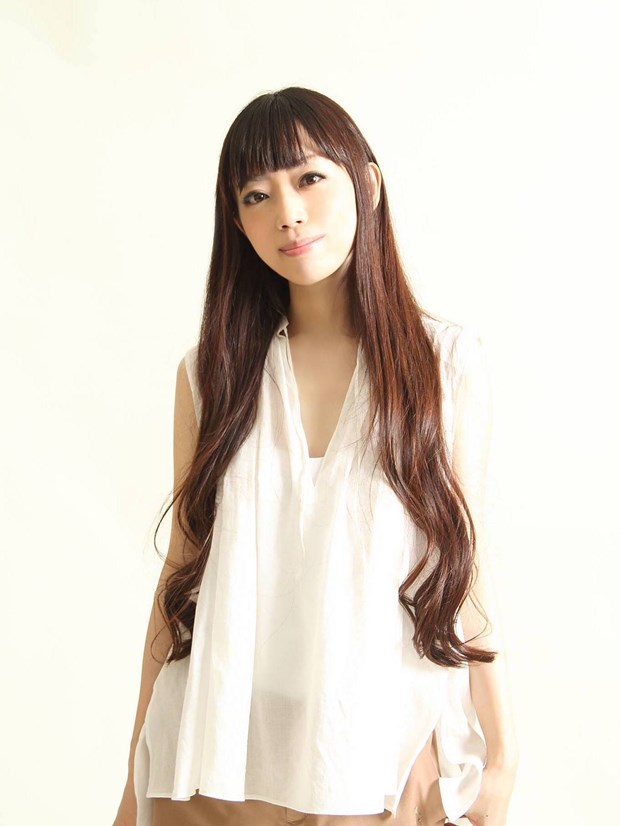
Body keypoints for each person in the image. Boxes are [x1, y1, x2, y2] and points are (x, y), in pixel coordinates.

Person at [112, 86, 518, 826]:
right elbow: (181, 572)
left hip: (381, 752)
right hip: (213, 755)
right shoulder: (211, 375)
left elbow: (465, 564)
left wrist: (502, 754)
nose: (288, 213)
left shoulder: (445, 366)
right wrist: (131, 775)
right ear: (236, 221)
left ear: (368, 183)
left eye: (309, 178)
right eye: (256, 195)